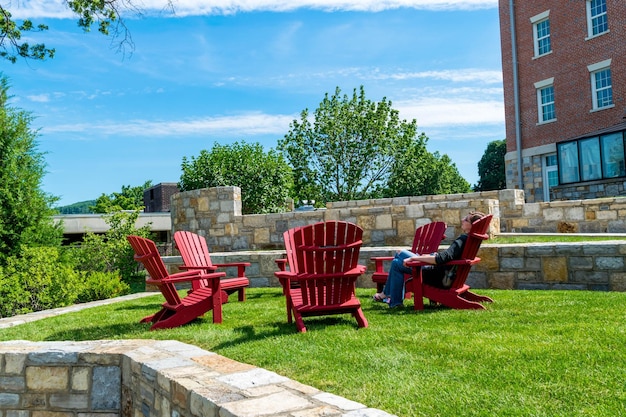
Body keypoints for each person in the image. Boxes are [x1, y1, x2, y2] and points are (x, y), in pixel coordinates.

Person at [373, 211, 486, 308]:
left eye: (466, 219)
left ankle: (390, 298)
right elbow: (446, 257)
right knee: (397, 260)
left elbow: (441, 258)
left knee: (398, 257)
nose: (462, 220)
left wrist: (413, 258)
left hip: (437, 277)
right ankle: (389, 298)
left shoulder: (462, 240)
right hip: (447, 276)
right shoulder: (471, 241)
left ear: (472, 225)